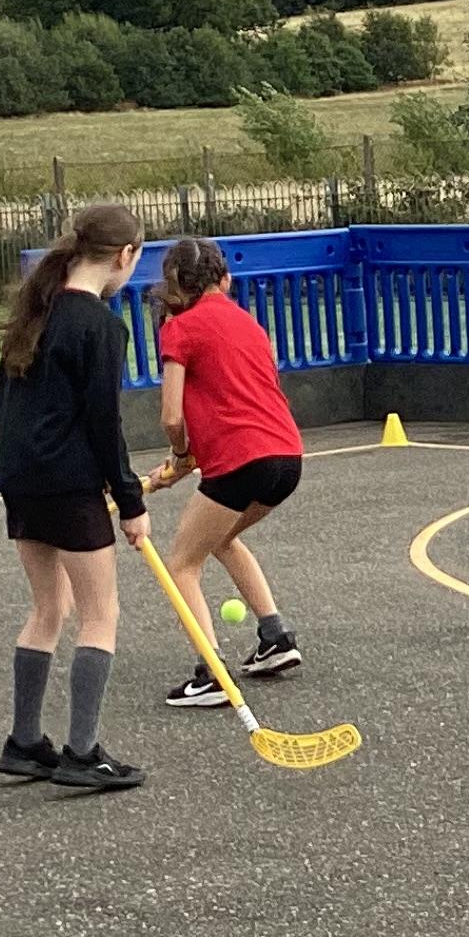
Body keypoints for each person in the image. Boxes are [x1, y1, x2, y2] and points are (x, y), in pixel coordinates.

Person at [0, 202, 150, 792]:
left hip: (22, 479)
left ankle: (25, 742)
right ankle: (82, 753)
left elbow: (4, 408)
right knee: (100, 614)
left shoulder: (37, 310)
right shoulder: (100, 326)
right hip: (68, 483)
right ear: (125, 255)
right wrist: (131, 504)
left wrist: (10, 474)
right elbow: (105, 423)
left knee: (47, 608)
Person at [142, 237, 308, 708]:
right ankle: (276, 636)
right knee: (221, 539)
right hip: (286, 457)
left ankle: (211, 673)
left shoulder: (179, 328)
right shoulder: (249, 324)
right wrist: (187, 461)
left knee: (182, 563)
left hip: (240, 461)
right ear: (226, 280)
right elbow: (242, 399)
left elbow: (171, 416)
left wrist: (180, 456)